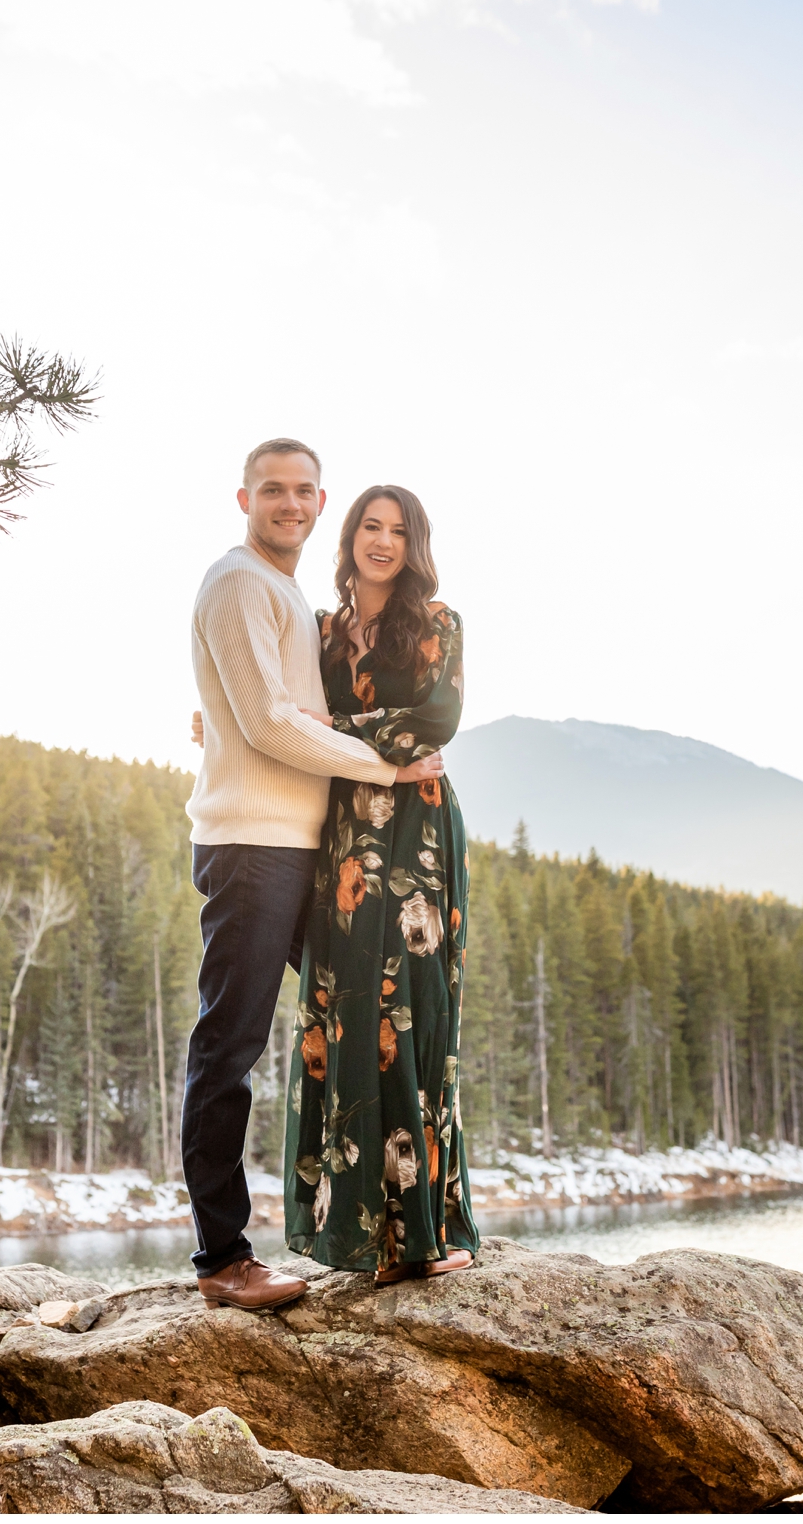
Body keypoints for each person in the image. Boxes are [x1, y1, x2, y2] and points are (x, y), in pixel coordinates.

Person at [185, 438, 447, 1313]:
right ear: (245, 497)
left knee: (361, 1015)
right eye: (273, 490)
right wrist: (386, 767)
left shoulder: (287, 595)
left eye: (303, 491)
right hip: (254, 848)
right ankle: (223, 1258)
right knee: (231, 1045)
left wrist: (225, 720)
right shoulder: (237, 581)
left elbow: (283, 710)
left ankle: (388, 1229)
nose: (289, 504)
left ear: (318, 499)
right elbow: (268, 723)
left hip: (306, 847)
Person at [284, 484, 475, 1282]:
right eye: (371, 525)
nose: (384, 540)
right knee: (342, 1014)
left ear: (414, 543)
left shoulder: (438, 624)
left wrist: (339, 731)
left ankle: (425, 1235)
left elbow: (436, 720)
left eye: (399, 530)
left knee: (411, 1011)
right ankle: (362, 1238)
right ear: (350, 535)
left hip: (417, 839)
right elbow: (281, 714)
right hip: (340, 845)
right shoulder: (318, 631)